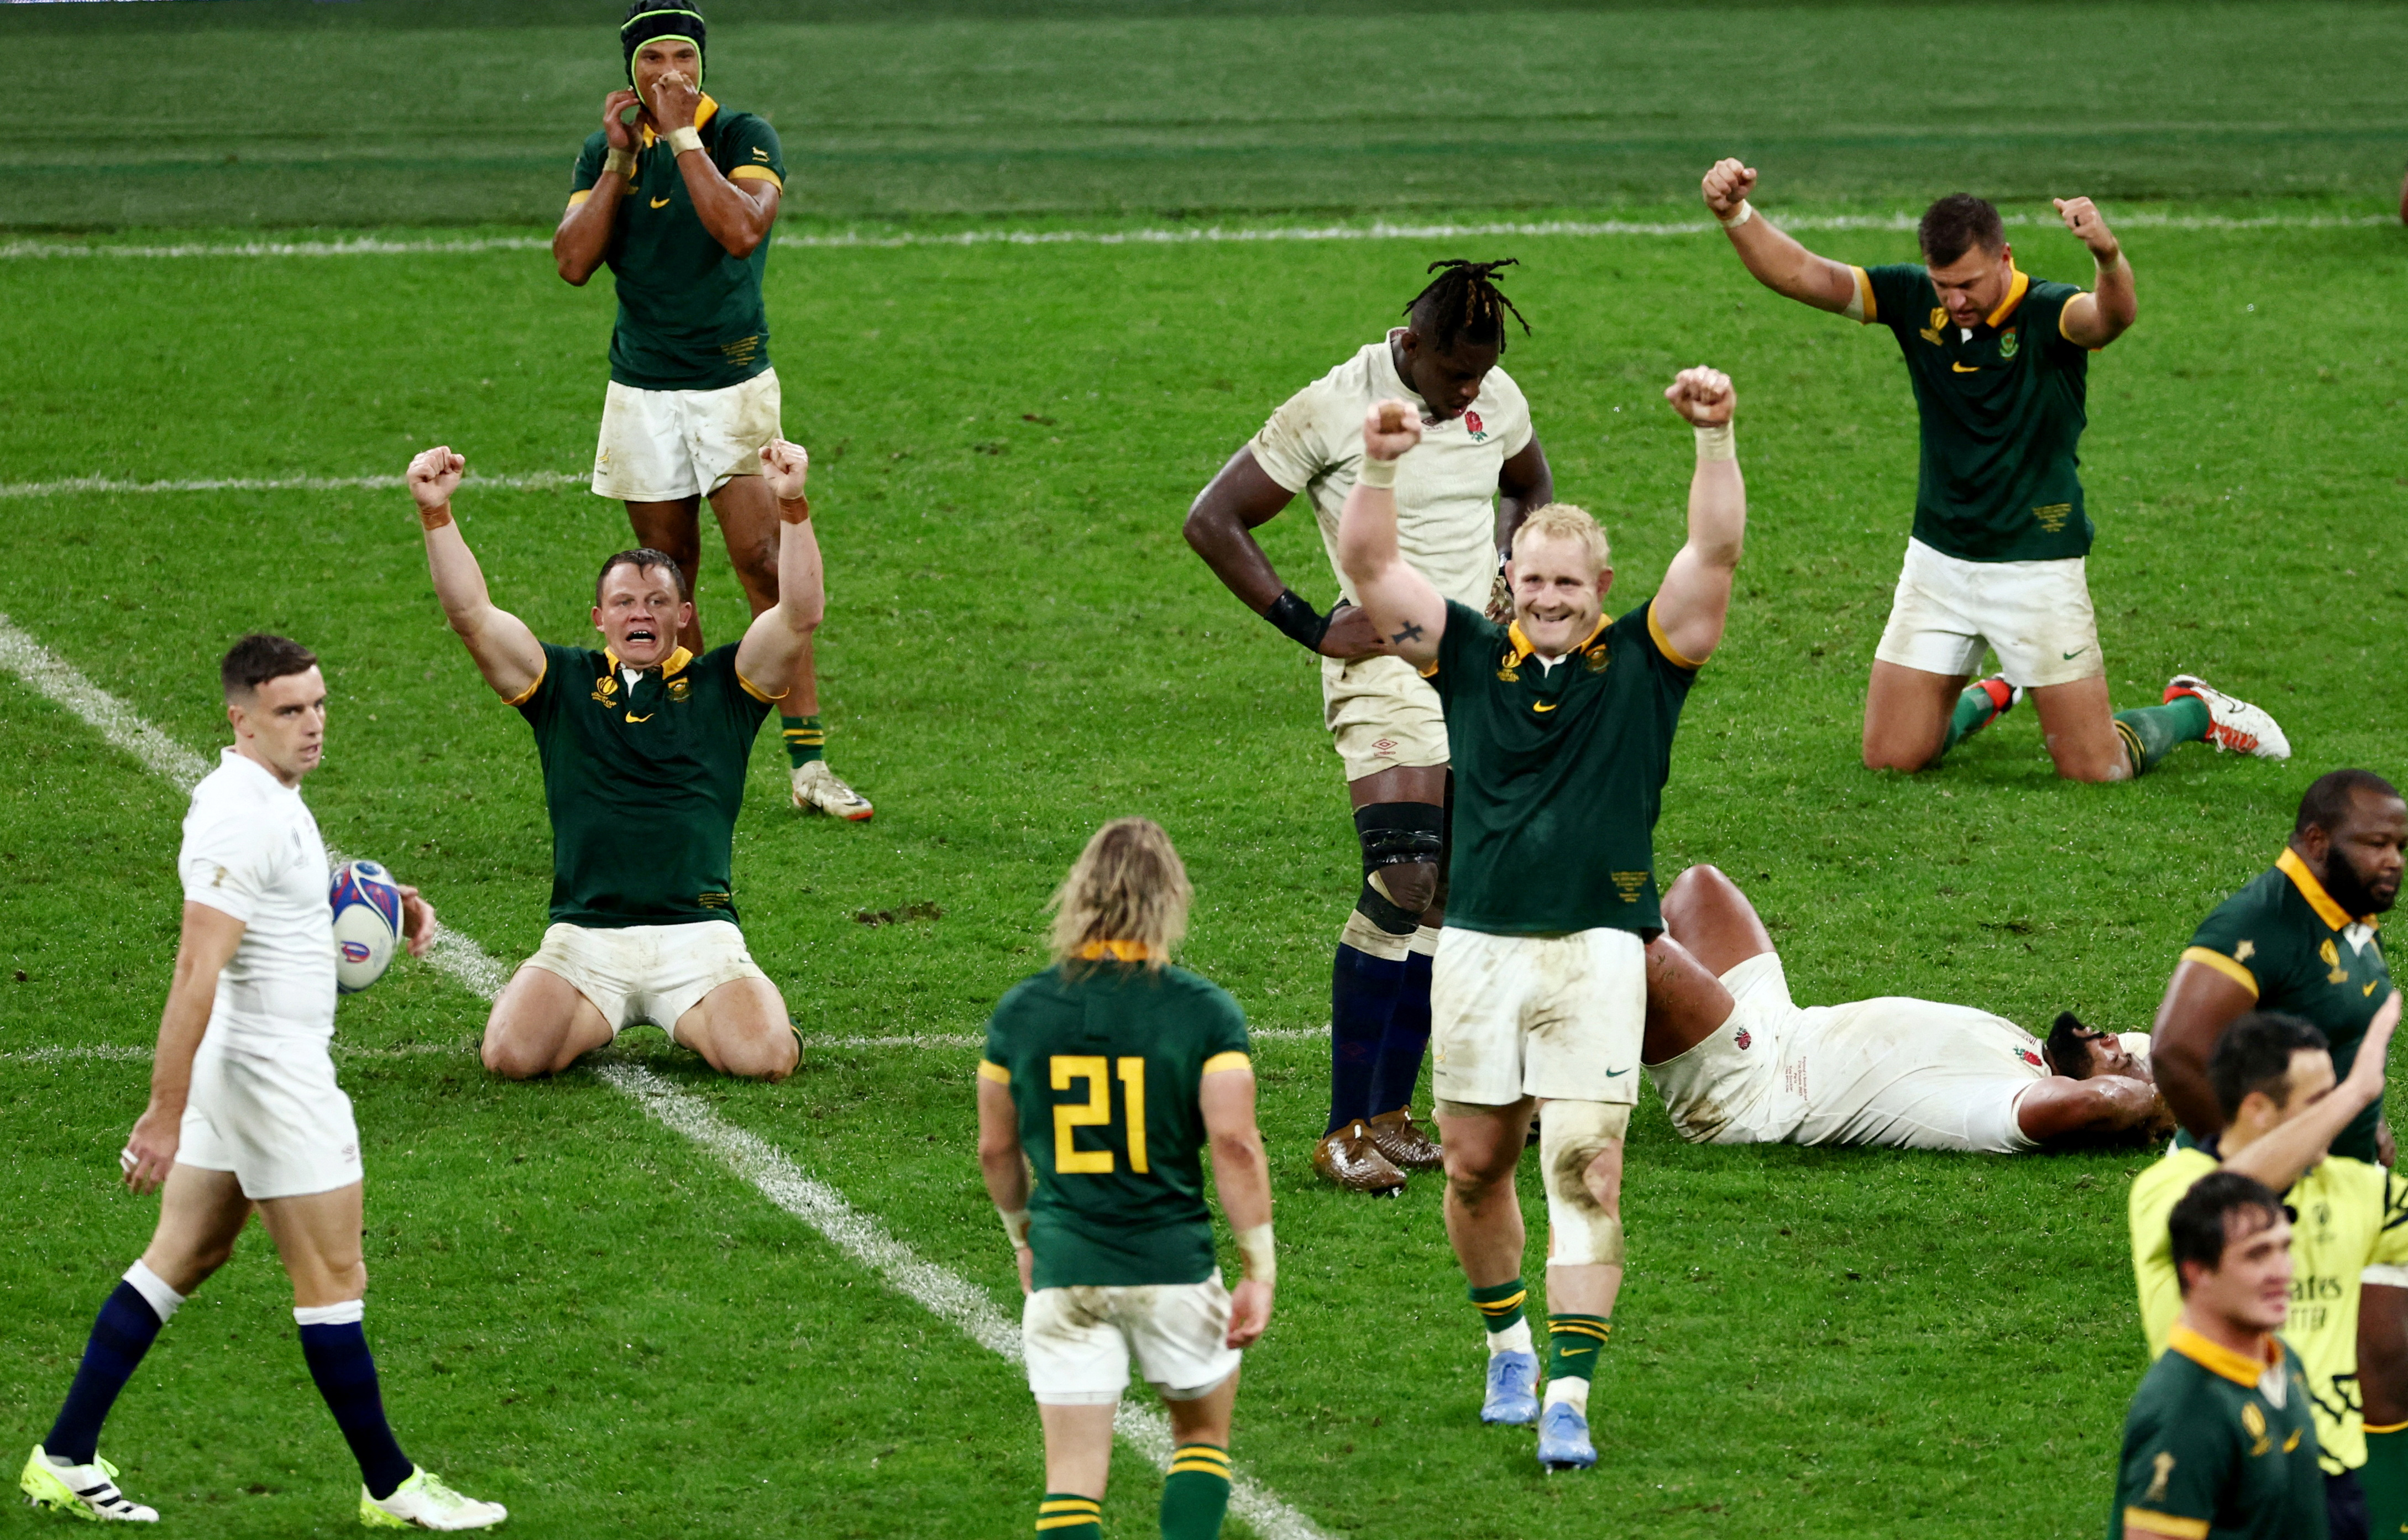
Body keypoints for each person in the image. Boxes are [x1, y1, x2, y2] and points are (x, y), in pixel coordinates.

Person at [1337, 365, 1742, 1469]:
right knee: (1474, 1164)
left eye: (1571, 580)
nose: (1551, 594)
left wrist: (1715, 437)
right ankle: (1508, 1343)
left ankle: (1570, 1390)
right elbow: (1371, 565)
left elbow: (1712, 558)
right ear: (1508, 582)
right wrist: (1378, 460)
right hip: (1475, 952)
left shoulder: (1644, 665)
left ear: (1601, 584)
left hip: (1597, 951)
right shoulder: (1469, 654)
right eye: (1534, 579)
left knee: (1586, 1164)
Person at [18, 636, 505, 1530]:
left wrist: (392, 898)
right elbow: (197, 968)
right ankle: (392, 1487)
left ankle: (65, 1455)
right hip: (272, 1075)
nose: (312, 725)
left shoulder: (267, 797)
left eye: (319, 705)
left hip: (241, 1070)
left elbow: (293, 893)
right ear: (241, 719)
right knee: (332, 1272)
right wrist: (163, 1115)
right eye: (290, 712)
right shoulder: (239, 814)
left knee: (185, 1257)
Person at [1698, 159, 2288, 781]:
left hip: (2035, 565)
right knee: (1893, 757)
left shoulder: (2049, 312)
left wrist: (2109, 257)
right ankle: (1996, 692)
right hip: (1939, 563)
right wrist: (1734, 213)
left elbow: (2111, 319)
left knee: (2097, 769)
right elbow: (1801, 274)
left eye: (1969, 285)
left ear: (2005, 257)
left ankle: (2195, 708)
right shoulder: (1912, 298)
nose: (1955, 301)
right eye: (1943, 284)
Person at [1184, 259, 1554, 1195]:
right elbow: (1214, 519)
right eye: (1455, 374)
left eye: (1482, 374)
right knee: (1404, 875)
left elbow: (1530, 481)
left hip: (1473, 668)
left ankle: (1390, 1115)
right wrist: (1310, 622)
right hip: (1381, 671)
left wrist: (1517, 557)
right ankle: (1342, 1126)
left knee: (1447, 891)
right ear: (1413, 345)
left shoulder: (1493, 395)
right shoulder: (1333, 406)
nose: (1469, 390)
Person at [407, 438, 821, 1082]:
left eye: (658, 601)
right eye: (626, 602)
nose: (642, 613)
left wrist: (791, 504)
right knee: (510, 1055)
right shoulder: (562, 683)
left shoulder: (725, 686)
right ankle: (595, 1015)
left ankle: (728, 1018)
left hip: (698, 933)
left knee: (765, 1058)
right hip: (586, 936)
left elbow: (798, 615)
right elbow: (472, 616)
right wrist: (437, 514)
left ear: (684, 616)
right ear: (601, 617)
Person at [552, 2, 871, 822]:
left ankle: (809, 766)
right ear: (629, 68)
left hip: (731, 386)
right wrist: (623, 161)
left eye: (682, 57)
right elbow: (573, 262)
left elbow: (740, 229)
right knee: (665, 580)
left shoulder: (740, 136)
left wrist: (682, 136)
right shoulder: (605, 150)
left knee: (765, 562)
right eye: (652, 57)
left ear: (702, 64)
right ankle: (682, 750)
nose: (669, 72)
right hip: (644, 391)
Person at [975, 819, 1274, 1540]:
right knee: (1201, 1438)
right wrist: (1258, 1266)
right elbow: (1233, 1143)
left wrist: (1024, 1236)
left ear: (1079, 896)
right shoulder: (1203, 1010)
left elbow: (995, 1148)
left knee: (1073, 1480)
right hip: (1172, 1266)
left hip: (1067, 1267)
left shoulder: (1023, 1009)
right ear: (1170, 897)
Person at [2150, 769, 2408, 1531]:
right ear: (2317, 840)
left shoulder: (2348, 911)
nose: (2393, 859)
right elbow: (2176, 1051)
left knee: (2391, 1363)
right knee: (2281, 1403)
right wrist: (2254, 1177)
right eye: (2376, 843)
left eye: (2401, 844)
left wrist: (2369, 1129)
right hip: (2281, 1201)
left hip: (2352, 1185)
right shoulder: (2261, 923)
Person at [1641, 865, 2169, 1150]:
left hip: (1751, 1088)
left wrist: (2153, 1101)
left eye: (2120, 1057)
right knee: (1699, 886)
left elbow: (2098, 1101)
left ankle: (1566, 1081)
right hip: (1782, 1024)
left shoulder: (2003, 1106)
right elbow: (2161, 1050)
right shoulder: (2027, 1051)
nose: (2114, 1041)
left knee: (1631, 947)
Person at [2129, 1008, 2405, 1540]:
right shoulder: (2168, 1191)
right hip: (2214, 1469)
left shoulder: (2353, 1188)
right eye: (2319, 1103)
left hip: (2329, 1486)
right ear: (2257, 1108)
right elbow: (2214, 1210)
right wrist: (2356, 1093)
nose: (2338, 1118)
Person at [2112, 1170, 2328, 1540]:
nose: (2283, 1272)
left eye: (2284, 1248)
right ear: (2197, 1273)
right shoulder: (2185, 1410)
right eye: (2257, 1255)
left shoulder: (2282, 1360)